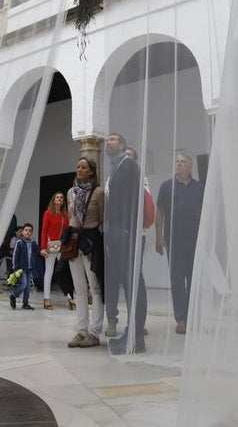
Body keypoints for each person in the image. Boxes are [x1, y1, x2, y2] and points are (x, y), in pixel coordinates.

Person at [103, 132, 147, 354]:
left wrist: (126, 229)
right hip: (118, 232)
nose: (107, 142)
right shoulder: (117, 167)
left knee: (133, 282)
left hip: (125, 232)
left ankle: (136, 337)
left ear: (122, 144)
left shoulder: (128, 166)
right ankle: (133, 333)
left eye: (112, 139)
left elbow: (133, 200)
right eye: (107, 140)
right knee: (128, 282)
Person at [155, 151, 204, 334]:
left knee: (193, 279)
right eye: (177, 161)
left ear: (190, 166)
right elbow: (159, 212)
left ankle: (193, 316)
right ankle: (181, 319)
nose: (179, 164)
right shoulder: (167, 187)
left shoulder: (198, 187)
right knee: (177, 280)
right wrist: (158, 236)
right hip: (174, 241)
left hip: (194, 241)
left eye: (183, 162)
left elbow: (204, 215)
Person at [66, 156, 105, 348]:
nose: (79, 170)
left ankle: (94, 332)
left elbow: (104, 219)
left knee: (95, 287)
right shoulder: (70, 192)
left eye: (84, 167)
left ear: (91, 171)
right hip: (74, 241)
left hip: (91, 240)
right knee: (79, 288)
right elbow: (70, 217)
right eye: (78, 166)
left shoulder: (98, 192)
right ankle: (81, 331)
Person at [40, 192, 74, 310]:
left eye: (61, 197)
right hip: (50, 246)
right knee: (48, 272)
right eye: (57, 197)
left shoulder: (65, 215)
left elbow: (68, 231)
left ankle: (70, 297)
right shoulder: (48, 213)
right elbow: (44, 231)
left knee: (63, 271)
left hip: (62, 247)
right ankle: (46, 298)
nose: (59, 199)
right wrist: (43, 248)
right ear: (53, 200)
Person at [9, 223, 36, 310]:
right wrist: (15, 267)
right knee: (24, 284)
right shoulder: (19, 242)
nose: (28, 232)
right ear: (22, 232)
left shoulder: (32, 243)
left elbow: (37, 252)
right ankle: (13, 295)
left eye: (30, 231)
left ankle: (25, 303)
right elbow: (15, 255)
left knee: (28, 286)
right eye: (26, 230)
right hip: (21, 268)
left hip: (29, 267)